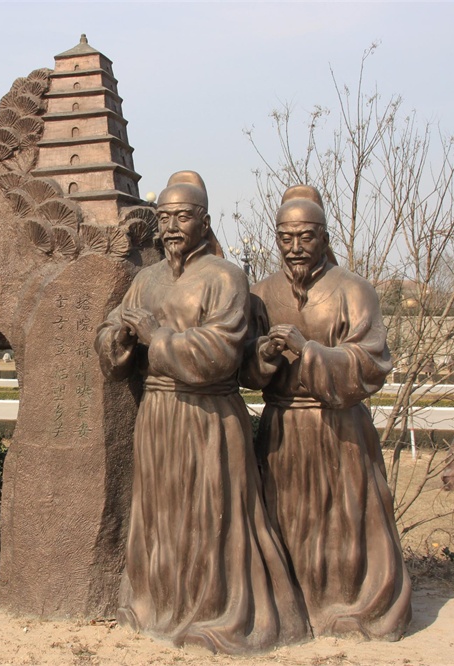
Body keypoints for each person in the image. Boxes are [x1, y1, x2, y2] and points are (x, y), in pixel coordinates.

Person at [95, 171, 310, 653]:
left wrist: (156, 337)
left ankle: (217, 612)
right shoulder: (145, 280)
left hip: (208, 416)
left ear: (204, 222)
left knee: (211, 517)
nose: (171, 227)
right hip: (158, 415)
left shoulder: (225, 277)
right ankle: (157, 605)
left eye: (183, 217)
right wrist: (120, 336)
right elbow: (109, 335)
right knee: (161, 515)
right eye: (164, 217)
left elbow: (222, 351)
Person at [241, 186, 412, 640]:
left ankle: (349, 603)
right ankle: (291, 604)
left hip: (339, 428)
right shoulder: (260, 294)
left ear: (324, 237)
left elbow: (371, 361)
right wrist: (265, 354)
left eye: (306, 237)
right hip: (282, 427)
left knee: (344, 521)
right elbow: (244, 368)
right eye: (286, 238)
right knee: (284, 516)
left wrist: (309, 351)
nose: (295, 247)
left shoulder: (354, 290)